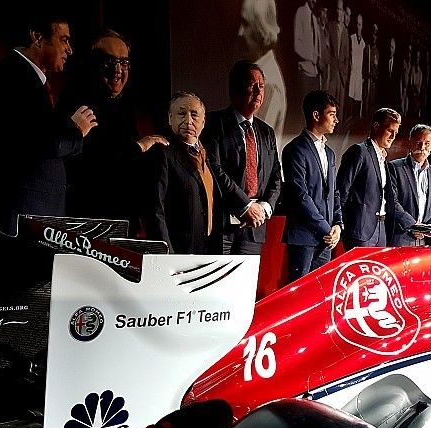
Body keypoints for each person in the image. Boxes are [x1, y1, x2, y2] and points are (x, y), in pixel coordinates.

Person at [0, 13, 97, 234]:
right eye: (64, 39)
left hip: (30, 218)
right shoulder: (11, 76)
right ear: (38, 37)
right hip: (17, 218)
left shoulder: (26, 79)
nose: (69, 49)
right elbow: (40, 143)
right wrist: (76, 130)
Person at [59, 30, 168, 233]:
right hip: (88, 224)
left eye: (124, 62)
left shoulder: (129, 106)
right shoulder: (76, 102)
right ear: (92, 63)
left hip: (126, 223)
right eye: (109, 61)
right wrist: (139, 146)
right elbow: (93, 165)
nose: (118, 69)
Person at [145, 92, 248, 254]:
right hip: (176, 251)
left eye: (194, 115)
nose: (188, 121)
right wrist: (167, 255)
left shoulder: (207, 153)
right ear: (170, 118)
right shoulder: (161, 152)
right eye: (181, 114)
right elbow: (155, 211)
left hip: (208, 248)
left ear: (204, 121)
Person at [201, 60, 283, 255]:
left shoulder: (266, 132)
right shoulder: (214, 124)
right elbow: (213, 168)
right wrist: (245, 205)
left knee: (246, 284)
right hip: (222, 224)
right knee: (219, 284)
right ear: (235, 88)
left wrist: (264, 207)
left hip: (255, 226)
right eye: (251, 85)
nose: (258, 91)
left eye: (261, 86)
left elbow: (275, 176)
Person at [282, 90, 342, 282]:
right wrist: (326, 229)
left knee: (319, 293)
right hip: (304, 237)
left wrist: (338, 225)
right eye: (332, 114)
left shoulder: (330, 153)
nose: (336, 120)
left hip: (326, 240)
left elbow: (335, 192)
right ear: (316, 115)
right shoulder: (295, 149)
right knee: (298, 293)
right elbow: (300, 195)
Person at [337, 108, 400, 249]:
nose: (393, 137)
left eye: (396, 133)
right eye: (390, 131)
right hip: (361, 230)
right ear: (376, 127)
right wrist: (337, 222)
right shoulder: (359, 151)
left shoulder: (383, 158)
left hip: (381, 229)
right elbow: (342, 191)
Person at [238, 0, 286, 147]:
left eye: (245, 24)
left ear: (262, 31)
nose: (240, 32)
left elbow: (257, 149)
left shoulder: (269, 84)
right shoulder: (257, 73)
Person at [388, 124, 431, 246]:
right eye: (418, 143)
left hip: (427, 241)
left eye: (427, 143)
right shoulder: (395, 167)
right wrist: (413, 226)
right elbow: (392, 201)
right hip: (401, 237)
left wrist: (428, 229)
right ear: (410, 143)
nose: (422, 147)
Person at [293, 0, 319, 107]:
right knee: (303, 109)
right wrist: (311, 57)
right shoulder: (301, 12)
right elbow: (297, 45)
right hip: (304, 72)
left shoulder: (314, 18)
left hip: (314, 72)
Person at [328, 0, 350, 116]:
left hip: (341, 76)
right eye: (337, 9)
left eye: (340, 9)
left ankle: (339, 132)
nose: (338, 12)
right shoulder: (330, 26)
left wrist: (344, 75)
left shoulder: (346, 32)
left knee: (339, 108)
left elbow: (347, 57)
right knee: (329, 105)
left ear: (343, 12)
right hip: (331, 74)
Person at [347, 13, 365, 122]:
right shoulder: (351, 39)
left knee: (356, 108)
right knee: (348, 106)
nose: (358, 26)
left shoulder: (363, 43)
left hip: (358, 78)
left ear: (362, 26)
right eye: (357, 24)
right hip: (351, 76)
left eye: (360, 24)